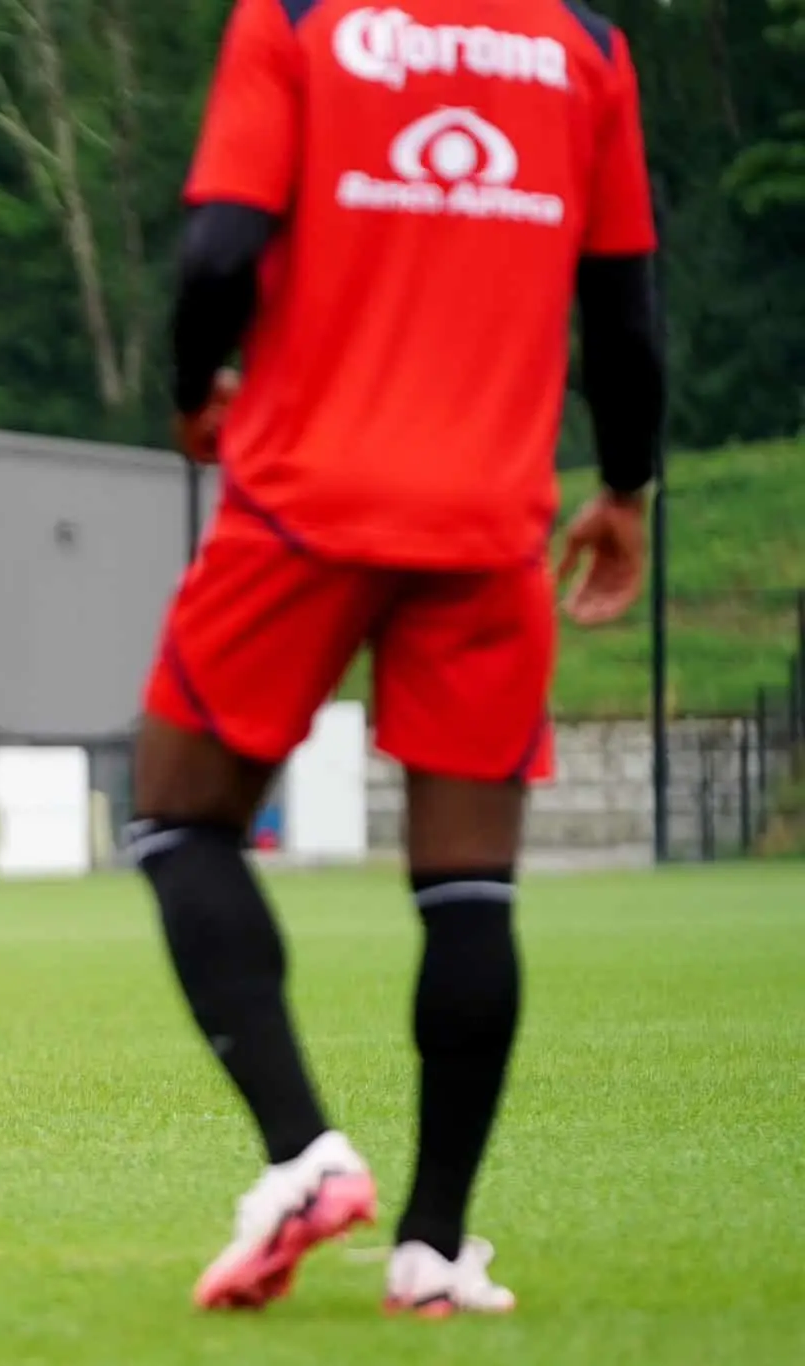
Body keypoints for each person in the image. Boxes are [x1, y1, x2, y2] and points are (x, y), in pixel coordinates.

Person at [134, 0, 662, 1316]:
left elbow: (216, 251)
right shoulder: (585, 49)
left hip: (303, 502)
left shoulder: (303, 19)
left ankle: (307, 1154)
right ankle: (431, 1244)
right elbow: (626, 312)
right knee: (471, 888)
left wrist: (196, 387)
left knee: (177, 813)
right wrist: (630, 486)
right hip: (489, 525)